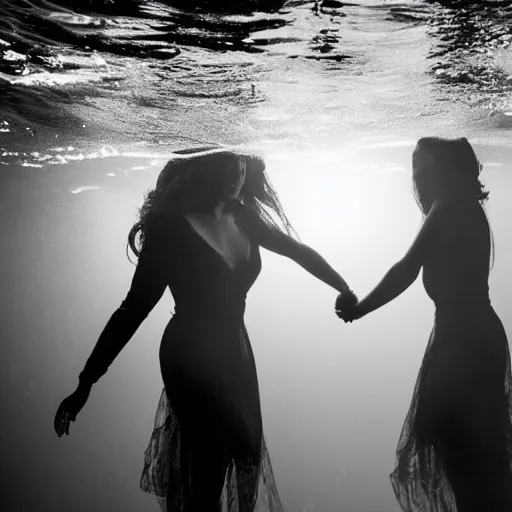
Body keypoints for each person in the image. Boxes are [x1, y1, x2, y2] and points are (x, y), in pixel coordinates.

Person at [54, 147, 357, 512]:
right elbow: (132, 309)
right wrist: (86, 381)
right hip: (188, 353)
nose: (237, 171)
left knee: (234, 450)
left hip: (235, 351)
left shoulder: (245, 217)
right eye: (227, 161)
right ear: (205, 163)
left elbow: (296, 250)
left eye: (241, 162)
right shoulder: (169, 228)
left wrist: (344, 287)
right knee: (210, 455)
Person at [335, 136, 512, 512]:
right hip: (472, 336)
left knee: (464, 457)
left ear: (444, 168)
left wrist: (360, 308)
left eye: (423, 166)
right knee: (479, 456)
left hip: (465, 343)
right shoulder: (460, 204)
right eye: (412, 165)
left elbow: (406, 269)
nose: (415, 175)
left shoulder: (447, 206)